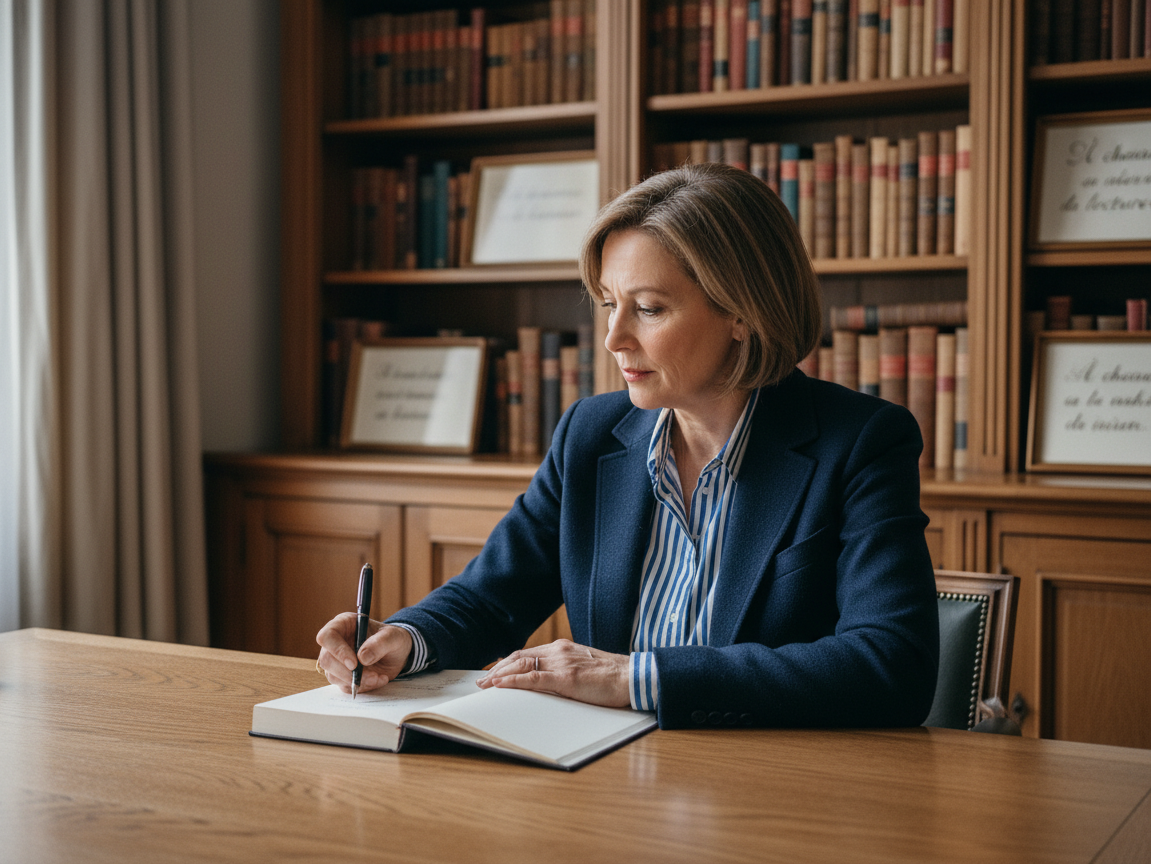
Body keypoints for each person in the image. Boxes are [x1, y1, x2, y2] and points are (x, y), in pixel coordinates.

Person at [316, 162, 939, 729]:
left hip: (773, 790)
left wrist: (633, 676)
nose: (613, 339)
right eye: (610, 304)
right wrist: (403, 637)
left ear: (741, 314)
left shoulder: (860, 443)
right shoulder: (590, 434)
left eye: (648, 309)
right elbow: (490, 596)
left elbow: (891, 665)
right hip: (607, 775)